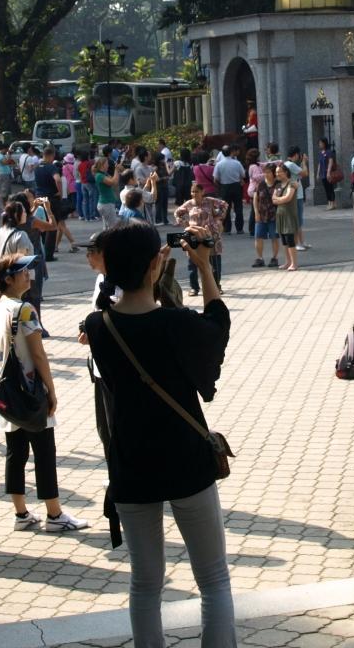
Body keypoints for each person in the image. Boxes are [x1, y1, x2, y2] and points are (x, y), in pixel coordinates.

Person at [81, 222, 233, 645]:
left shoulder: (98, 326)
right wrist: (204, 267)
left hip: (131, 463)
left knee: (145, 583)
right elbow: (217, 325)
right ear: (154, 264)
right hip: (185, 459)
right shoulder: (177, 323)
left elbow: (131, 314)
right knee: (213, 579)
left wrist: (152, 272)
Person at [0, 253, 88, 532]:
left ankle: (21, 513)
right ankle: (54, 515)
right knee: (44, 452)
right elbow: (38, 354)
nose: (28, 275)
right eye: (23, 272)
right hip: (31, 393)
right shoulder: (25, 309)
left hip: (8, 391)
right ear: (8, 279)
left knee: (15, 452)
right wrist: (51, 391)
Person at [174, 183, 227, 296]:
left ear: (203, 192)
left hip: (211, 234)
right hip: (193, 235)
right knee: (192, 263)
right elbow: (177, 213)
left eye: (197, 191)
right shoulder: (189, 204)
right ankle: (194, 288)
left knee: (214, 261)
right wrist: (185, 223)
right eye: (192, 191)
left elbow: (224, 205)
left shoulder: (210, 201)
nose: (194, 194)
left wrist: (218, 218)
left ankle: (216, 286)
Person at [213, 145, 246, 234]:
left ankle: (227, 228)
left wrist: (220, 186)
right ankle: (239, 228)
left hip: (225, 187)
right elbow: (243, 175)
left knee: (225, 208)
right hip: (236, 186)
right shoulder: (237, 163)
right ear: (230, 152)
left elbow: (215, 179)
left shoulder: (219, 164)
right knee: (238, 207)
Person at [272, 163, 300, 271]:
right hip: (280, 215)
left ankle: (294, 263)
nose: (277, 174)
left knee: (290, 239)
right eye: (276, 172)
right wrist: (281, 199)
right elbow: (273, 199)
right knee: (284, 240)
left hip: (289, 215)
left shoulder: (291, 184)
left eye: (279, 172)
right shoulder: (278, 185)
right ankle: (287, 262)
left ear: (286, 172)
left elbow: (288, 198)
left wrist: (279, 199)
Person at [252, 163, 280, 268]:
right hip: (261, 214)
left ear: (273, 173)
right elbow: (255, 199)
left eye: (268, 172)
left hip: (274, 215)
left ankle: (275, 258)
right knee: (258, 236)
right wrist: (256, 212)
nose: (266, 174)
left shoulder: (278, 184)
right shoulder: (260, 184)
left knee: (274, 237)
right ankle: (260, 258)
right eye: (265, 172)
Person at [284, 146, 310, 250]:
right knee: (297, 221)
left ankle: (301, 242)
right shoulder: (291, 165)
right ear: (295, 155)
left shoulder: (287, 164)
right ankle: (297, 243)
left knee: (298, 220)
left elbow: (300, 174)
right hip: (296, 195)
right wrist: (304, 162)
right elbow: (305, 173)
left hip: (294, 194)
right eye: (299, 155)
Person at [95, 155, 122, 228]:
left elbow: (114, 181)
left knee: (107, 226)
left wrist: (117, 171)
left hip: (106, 203)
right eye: (107, 164)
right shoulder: (100, 176)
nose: (108, 165)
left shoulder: (103, 174)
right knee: (113, 226)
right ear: (102, 165)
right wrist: (116, 170)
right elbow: (114, 182)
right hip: (106, 203)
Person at [317, 137, 339, 209]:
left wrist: (328, 172)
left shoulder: (329, 152)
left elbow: (330, 162)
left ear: (324, 143)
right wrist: (318, 173)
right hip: (323, 174)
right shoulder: (320, 153)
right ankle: (329, 203)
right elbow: (319, 164)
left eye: (321, 143)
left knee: (330, 188)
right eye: (319, 143)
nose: (320, 144)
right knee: (326, 189)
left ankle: (333, 203)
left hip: (328, 173)